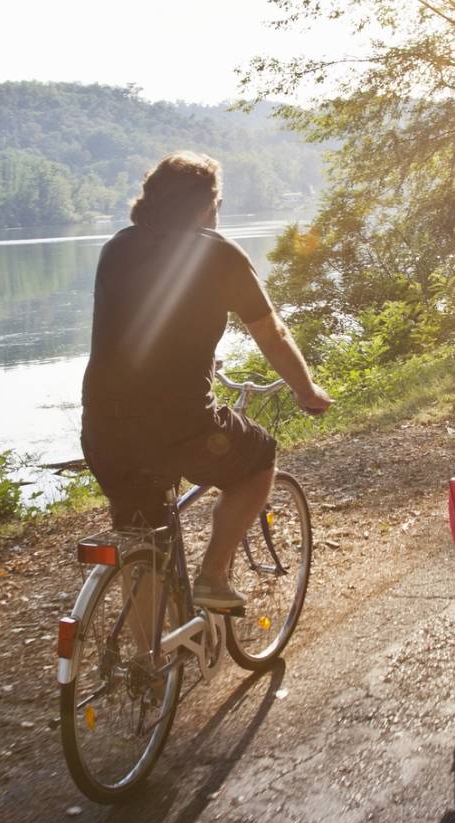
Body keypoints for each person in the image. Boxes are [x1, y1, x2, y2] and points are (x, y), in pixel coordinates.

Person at [81, 152, 331, 612]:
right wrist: (305, 390)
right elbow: (271, 333)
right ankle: (214, 576)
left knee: (143, 542)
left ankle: (146, 671)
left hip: (104, 427)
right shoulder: (217, 252)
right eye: (216, 201)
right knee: (258, 462)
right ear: (204, 206)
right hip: (178, 424)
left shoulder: (117, 246)